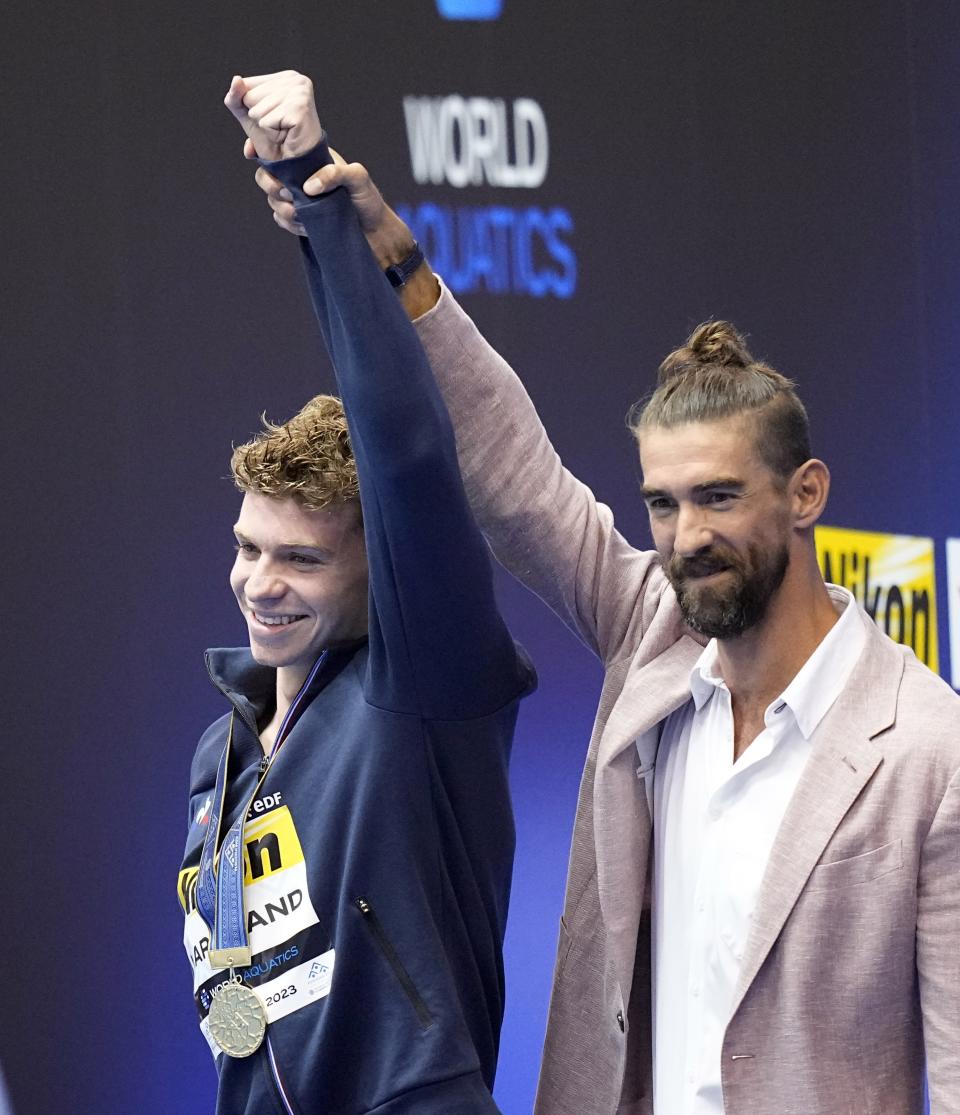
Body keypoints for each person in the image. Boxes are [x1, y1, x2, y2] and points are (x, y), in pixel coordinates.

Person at [255, 74, 960, 1114]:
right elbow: (514, 469)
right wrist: (392, 261)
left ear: (806, 492)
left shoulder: (928, 747)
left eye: (720, 497)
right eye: (664, 503)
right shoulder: (652, 636)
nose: (688, 535)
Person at [176, 71, 535, 1115]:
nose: (261, 584)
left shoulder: (420, 688)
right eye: (250, 547)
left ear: (381, 570)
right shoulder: (223, 755)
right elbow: (242, 1004)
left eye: (302, 559)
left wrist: (317, 206)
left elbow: (409, 451)